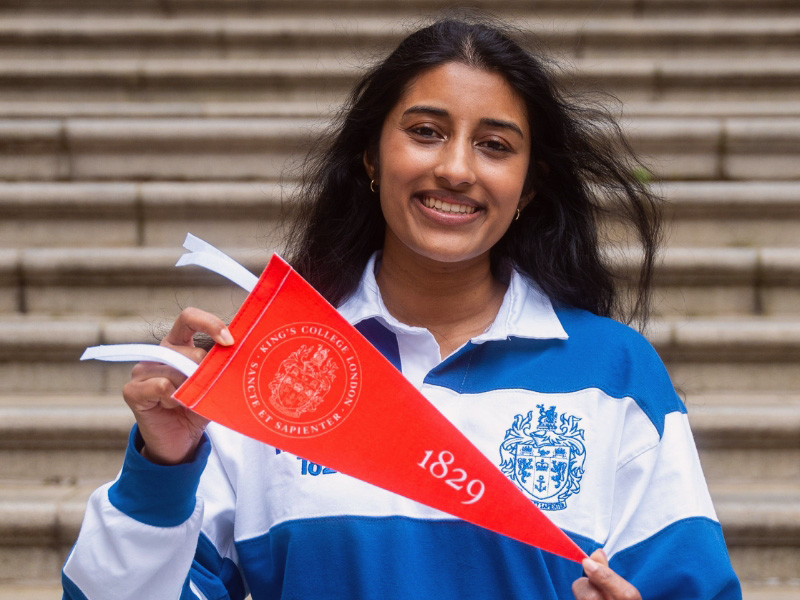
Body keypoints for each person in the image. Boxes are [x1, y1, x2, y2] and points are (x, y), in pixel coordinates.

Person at [62, 17, 742, 600]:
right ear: (370, 155)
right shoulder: (276, 366)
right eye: (425, 131)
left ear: (530, 185)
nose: (456, 168)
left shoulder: (614, 373)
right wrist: (163, 467)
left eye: (495, 145)